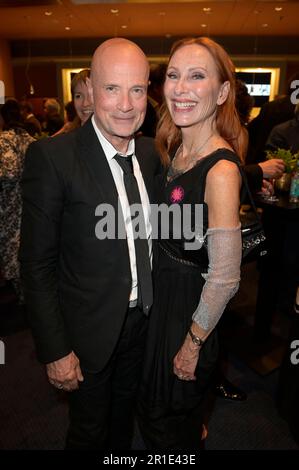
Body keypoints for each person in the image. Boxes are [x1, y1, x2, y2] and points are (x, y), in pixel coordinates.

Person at [20, 38, 160, 450]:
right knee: (88, 433)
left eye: (136, 89)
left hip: (143, 324)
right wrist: (55, 350)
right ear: (90, 90)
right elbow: (36, 265)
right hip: (86, 333)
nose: (125, 104)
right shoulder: (53, 157)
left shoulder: (153, 154)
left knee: (123, 424)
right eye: (112, 89)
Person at [138, 37, 246, 448]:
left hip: (187, 310)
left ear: (221, 92)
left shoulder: (220, 171)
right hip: (161, 296)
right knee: (153, 412)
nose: (180, 88)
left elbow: (224, 277)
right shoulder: (177, 147)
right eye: (173, 75)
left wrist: (193, 343)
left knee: (171, 424)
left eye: (196, 76)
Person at [0, 100, 34, 302]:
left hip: (10, 209)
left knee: (15, 259)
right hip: (30, 206)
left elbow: (9, 172)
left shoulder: (3, 140)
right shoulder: (28, 139)